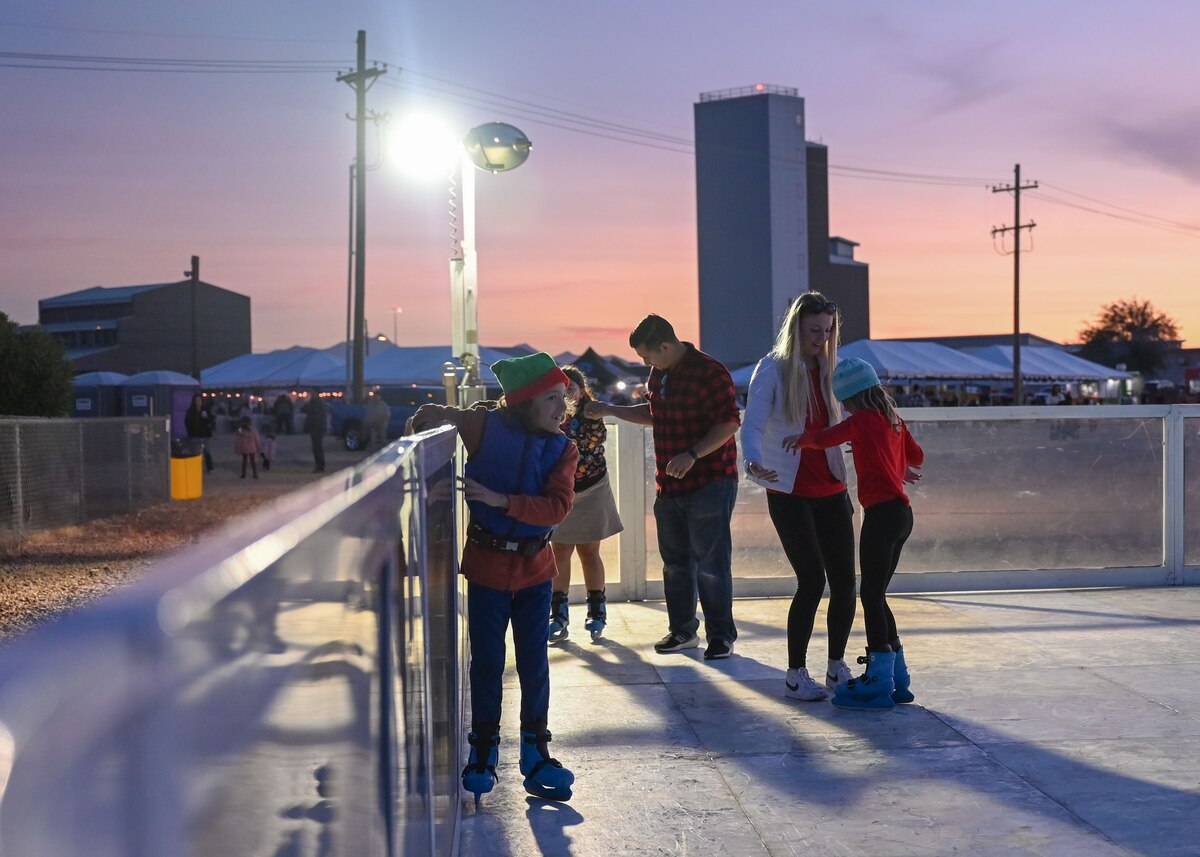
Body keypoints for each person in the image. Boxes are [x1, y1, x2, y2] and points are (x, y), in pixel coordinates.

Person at [410, 352, 579, 804]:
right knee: (486, 663)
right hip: (486, 568)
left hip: (535, 571)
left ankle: (535, 752)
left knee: (533, 664)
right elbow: (428, 419)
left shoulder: (564, 447)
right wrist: (429, 481)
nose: (563, 408)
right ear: (524, 401)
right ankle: (483, 752)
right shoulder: (483, 426)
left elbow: (558, 508)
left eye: (564, 397)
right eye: (552, 398)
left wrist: (502, 500)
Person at [586, 314, 740, 660]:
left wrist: (693, 454)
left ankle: (721, 635)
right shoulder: (660, 373)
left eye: (647, 355)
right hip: (669, 486)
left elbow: (729, 422)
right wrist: (610, 409)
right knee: (675, 563)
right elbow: (656, 413)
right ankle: (683, 630)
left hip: (710, 481)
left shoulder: (710, 372)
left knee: (711, 563)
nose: (644, 363)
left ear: (666, 346)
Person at [790, 357, 924, 710]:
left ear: (851, 398)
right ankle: (899, 679)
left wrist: (800, 439)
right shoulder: (893, 420)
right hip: (902, 515)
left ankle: (878, 681)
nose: (845, 409)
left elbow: (824, 439)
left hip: (881, 516)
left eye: (844, 402)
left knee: (870, 596)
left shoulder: (862, 421)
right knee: (877, 595)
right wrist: (891, 462)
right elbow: (917, 456)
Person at [741, 291, 857, 701]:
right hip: (788, 488)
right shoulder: (772, 369)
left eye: (827, 331)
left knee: (846, 583)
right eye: (813, 331)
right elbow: (752, 423)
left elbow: (860, 414)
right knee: (811, 578)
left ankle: (836, 666)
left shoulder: (832, 366)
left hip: (831, 487)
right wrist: (753, 461)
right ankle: (795, 675)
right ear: (796, 328)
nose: (821, 339)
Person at [548, 365, 624, 643]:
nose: (566, 394)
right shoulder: (548, 413)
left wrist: (591, 414)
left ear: (581, 390)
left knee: (589, 553)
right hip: (560, 491)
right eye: (561, 390)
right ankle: (558, 615)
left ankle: (596, 612)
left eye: (571, 389)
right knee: (559, 552)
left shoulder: (592, 411)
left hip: (592, 487)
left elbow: (593, 441)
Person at [184, 394, 215, 473]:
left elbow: (211, 419)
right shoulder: (191, 411)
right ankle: (196, 467)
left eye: (199, 400)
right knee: (196, 452)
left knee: (207, 451)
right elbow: (187, 422)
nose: (198, 402)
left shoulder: (205, 410)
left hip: (205, 434)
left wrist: (208, 424)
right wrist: (190, 431)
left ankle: (210, 468)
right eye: (196, 401)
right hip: (194, 435)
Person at [304, 389, 328, 473]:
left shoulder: (316, 403)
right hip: (318, 427)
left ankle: (320, 465)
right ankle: (320, 464)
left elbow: (315, 416)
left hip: (316, 428)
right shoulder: (318, 402)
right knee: (317, 447)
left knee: (317, 447)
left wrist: (311, 425)